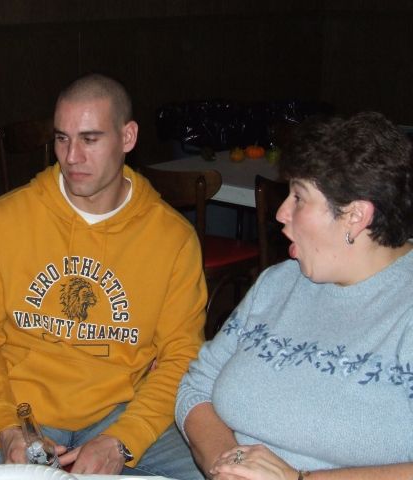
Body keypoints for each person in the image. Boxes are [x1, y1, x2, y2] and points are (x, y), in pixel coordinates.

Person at [0, 73, 206, 479]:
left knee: (218, 471)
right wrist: (5, 427)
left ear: (127, 137)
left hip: (124, 411)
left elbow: (181, 357)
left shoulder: (172, 238)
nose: (71, 156)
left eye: (90, 139)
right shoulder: (5, 220)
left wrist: (123, 439)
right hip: (22, 412)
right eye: (62, 138)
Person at [176, 111, 413, 480]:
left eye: (299, 197)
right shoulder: (277, 283)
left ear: (356, 215)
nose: (281, 213)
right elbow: (196, 386)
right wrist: (228, 464)